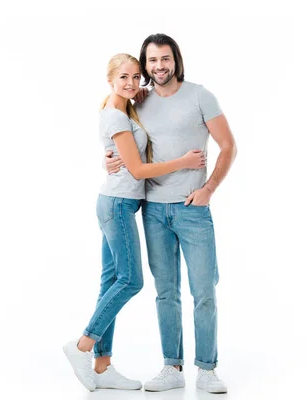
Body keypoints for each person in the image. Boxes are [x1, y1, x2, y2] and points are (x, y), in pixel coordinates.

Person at [63, 53, 207, 392]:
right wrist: (183, 161)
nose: (131, 83)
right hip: (118, 204)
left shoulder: (126, 107)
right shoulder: (115, 116)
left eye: (135, 77)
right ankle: (83, 345)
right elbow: (139, 170)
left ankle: (102, 365)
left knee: (110, 280)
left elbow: (127, 159)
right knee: (130, 280)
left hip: (118, 202)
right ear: (110, 79)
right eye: (124, 77)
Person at [105, 34, 237, 393]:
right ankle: (171, 366)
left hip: (193, 210)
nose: (158, 66)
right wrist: (108, 158)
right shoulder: (140, 101)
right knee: (166, 292)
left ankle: (207, 369)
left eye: (164, 59)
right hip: (153, 210)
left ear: (175, 60)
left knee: (204, 289)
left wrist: (208, 189)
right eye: (151, 61)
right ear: (145, 65)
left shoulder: (199, 95)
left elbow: (228, 145)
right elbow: (118, 136)